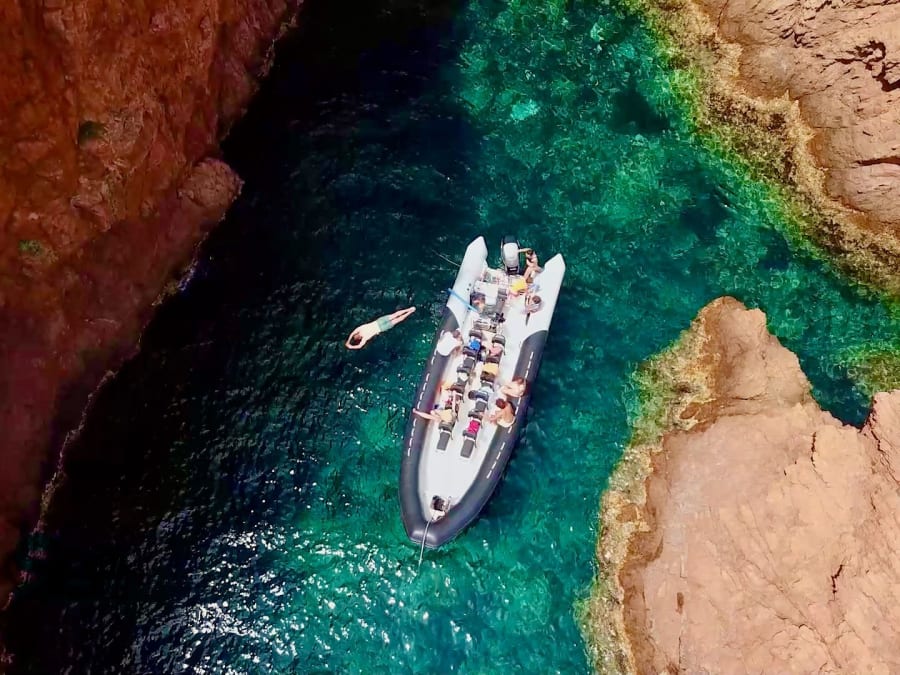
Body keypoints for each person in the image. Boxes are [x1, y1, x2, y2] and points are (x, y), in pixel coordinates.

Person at [345, 306, 416, 349]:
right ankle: (410, 312)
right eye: (356, 337)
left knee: (394, 315)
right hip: (381, 328)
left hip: (378, 322)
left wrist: (348, 341)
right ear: (358, 338)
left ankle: (408, 309)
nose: (356, 335)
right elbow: (360, 346)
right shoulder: (364, 338)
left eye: (355, 335)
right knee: (398, 320)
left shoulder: (360, 329)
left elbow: (352, 333)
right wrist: (351, 347)